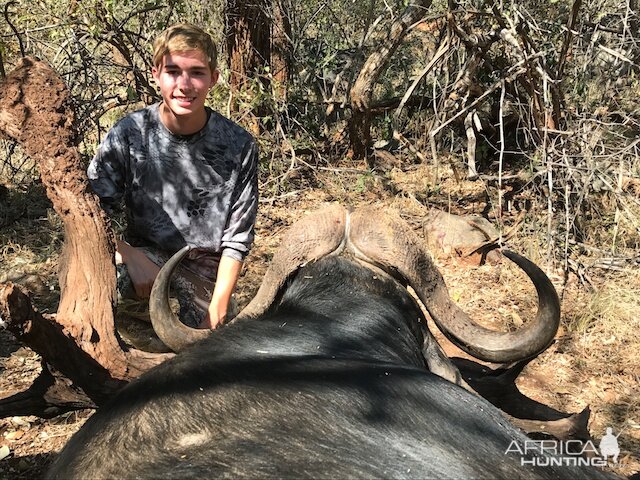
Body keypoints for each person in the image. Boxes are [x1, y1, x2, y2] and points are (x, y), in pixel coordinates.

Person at [88, 23, 258, 330]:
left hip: (204, 275)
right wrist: (128, 255)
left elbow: (237, 238)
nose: (184, 84)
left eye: (196, 72)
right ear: (156, 74)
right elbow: (90, 211)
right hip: (145, 261)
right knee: (109, 279)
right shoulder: (130, 133)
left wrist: (218, 305)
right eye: (173, 71)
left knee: (210, 350)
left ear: (214, 79)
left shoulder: (239, 145)